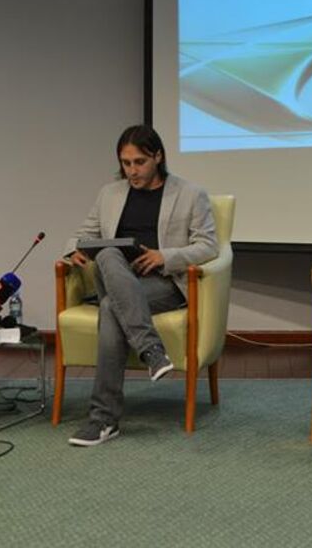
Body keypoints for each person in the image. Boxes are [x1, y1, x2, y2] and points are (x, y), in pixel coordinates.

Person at [64, 124, 218, 447]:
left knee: (111, 307)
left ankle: (103, 420)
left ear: (158, 157)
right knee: (108, 253)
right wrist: (73, 250)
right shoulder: (109, 194)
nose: (132, 171)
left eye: (139, 162)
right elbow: (83, 234)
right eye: (126, 163)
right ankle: (151, 350)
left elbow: (208, 246)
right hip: (116, 276)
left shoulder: (190, 194)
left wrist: (165, 256)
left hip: (161, 283)